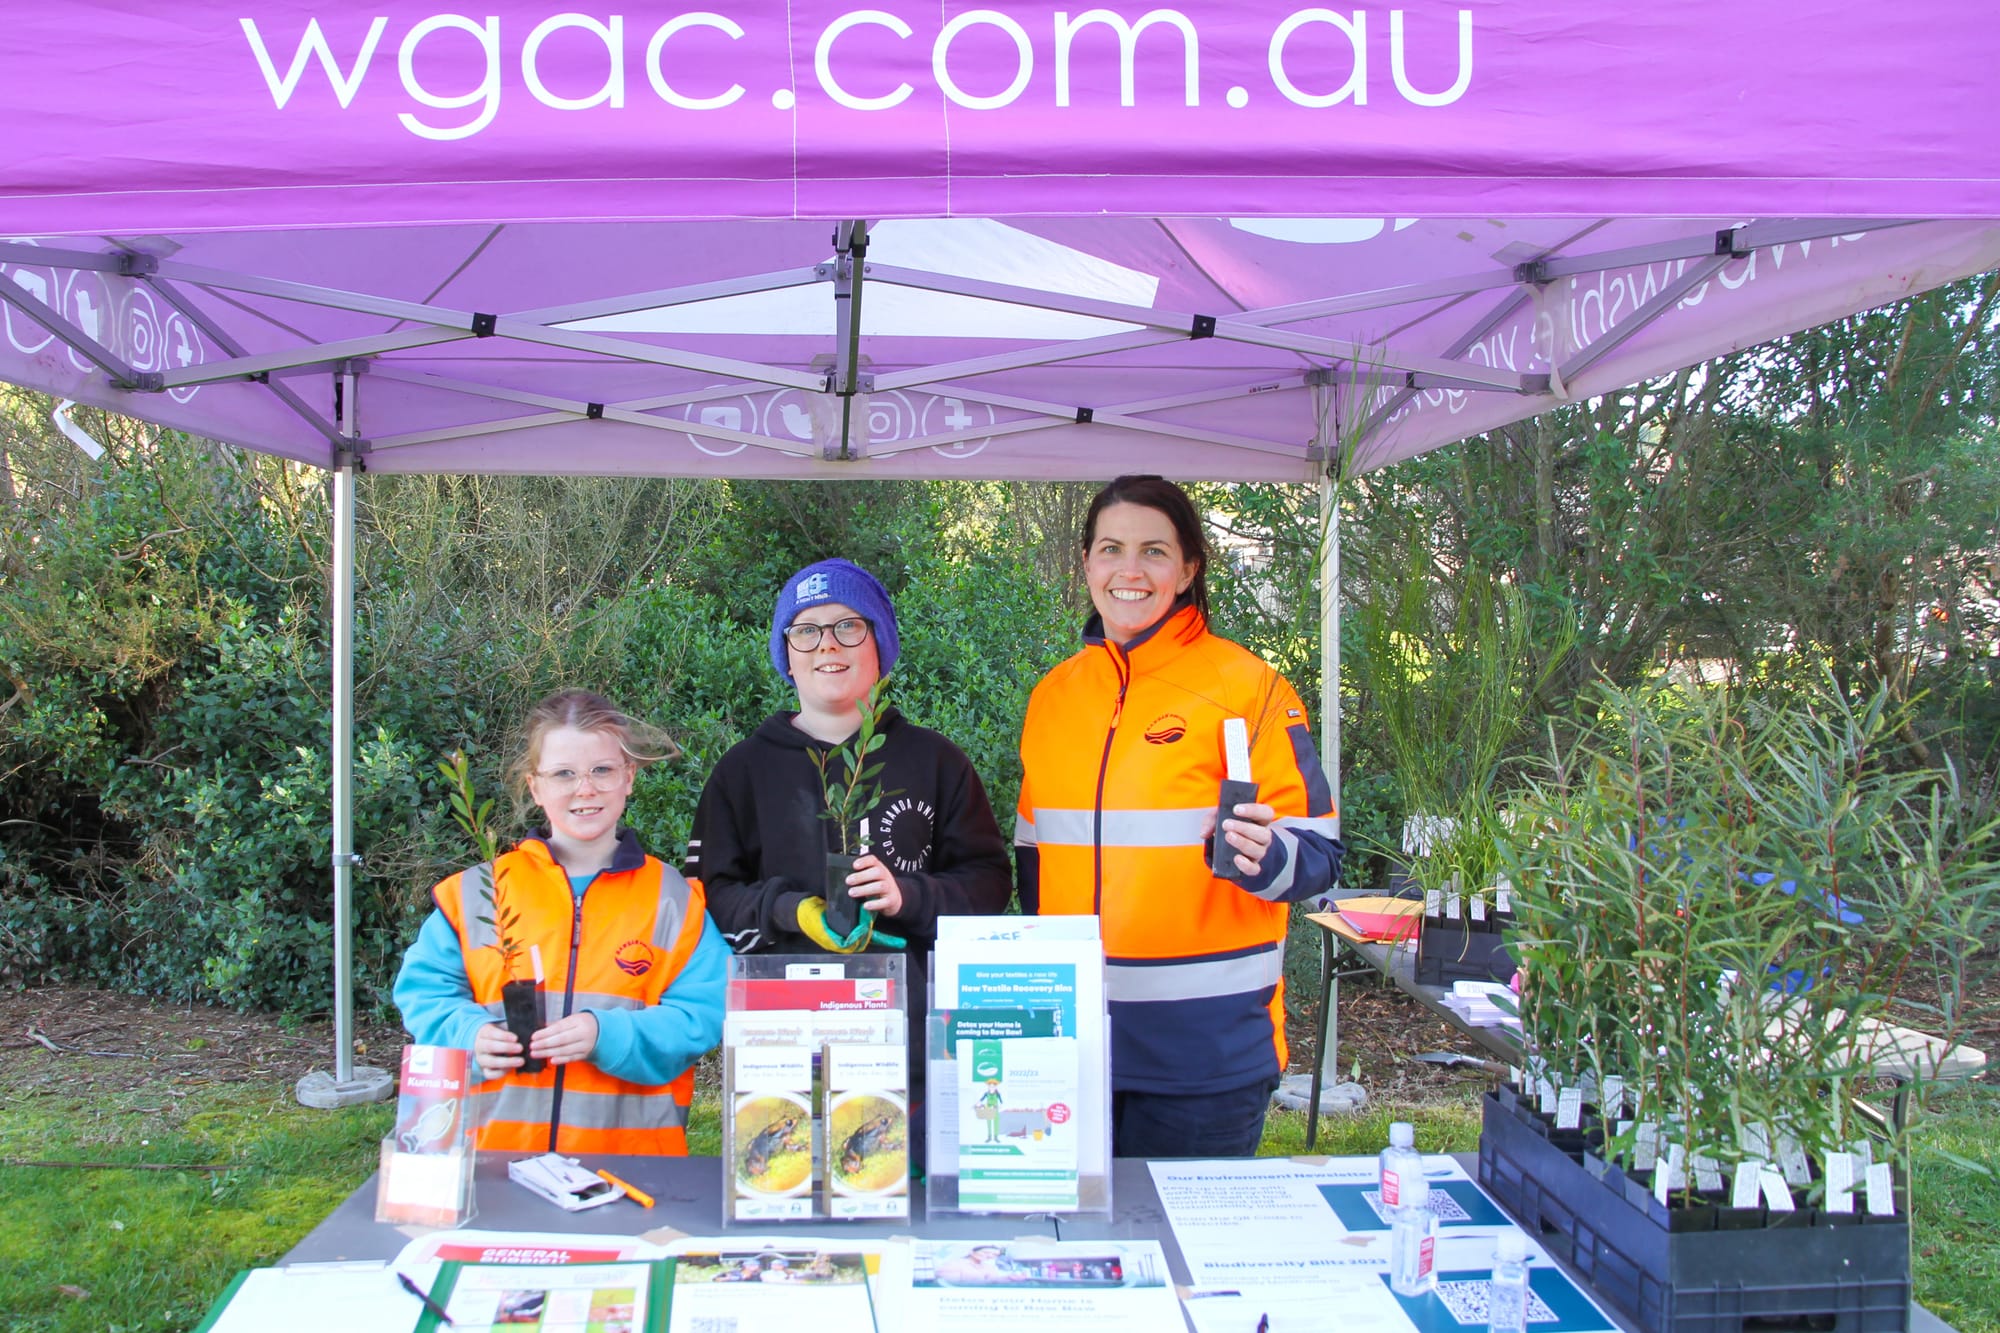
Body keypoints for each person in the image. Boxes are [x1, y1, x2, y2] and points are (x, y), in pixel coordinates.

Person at [1016, 476, 1344, 1159]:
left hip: (1205, 1058)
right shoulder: (1053, 697)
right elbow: (1034, 864)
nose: (1129, 571)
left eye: (1154, 551)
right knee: (1067, 1256)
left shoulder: (1250, 687)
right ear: (1085, 563)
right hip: (1068, 1047)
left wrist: (1264, 853)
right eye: (1110, 548)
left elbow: (1319, 852)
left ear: (1189, 567)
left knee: (1186, 1264)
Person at [685, 559, 1013, 1133]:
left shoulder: (938, 763)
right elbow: (710, 895)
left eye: (848, 626)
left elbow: (988, 884)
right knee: (786, 1184)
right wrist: (789, 910)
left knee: (896, 1195)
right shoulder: (741, 772)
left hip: (906, 1039)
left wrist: (907, 897)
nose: (826, 646)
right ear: (786, 653)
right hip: (780, 1039)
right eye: (806, 630)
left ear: (879, 645)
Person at [395, 690, 726, 1155]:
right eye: (564, 774)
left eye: (602, 771)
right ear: (535, 786)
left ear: (629, 777)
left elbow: (705, 1013)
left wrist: (608, 1035)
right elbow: (425, 994)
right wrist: (469, 1035)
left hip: (630, 1165)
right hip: (490, 1161)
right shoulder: (475, 893)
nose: (584, 789)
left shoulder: (673, 899)